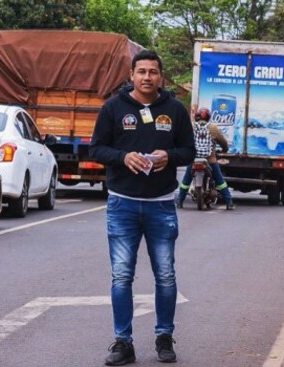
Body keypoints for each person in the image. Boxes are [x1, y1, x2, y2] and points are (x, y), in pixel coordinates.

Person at [88, 50, 195, 366]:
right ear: (131, 75)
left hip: (162, 205)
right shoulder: (114, 108)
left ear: (161, 76)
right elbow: (95, 148)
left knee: (165, 275)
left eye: (153, 72)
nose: (147, 77)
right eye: (141, 71)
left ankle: (164, 337)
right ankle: (123, 342)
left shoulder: (175, 110)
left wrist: (169, 157)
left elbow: (189, 151)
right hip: (122, 204)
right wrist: (123, 157)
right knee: (121, 276)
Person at [176, 107, 235, 210]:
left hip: (193, 159)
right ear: (208, 117)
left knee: (186, 181)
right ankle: (229, 203)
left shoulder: (191, 127)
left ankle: (179, 201)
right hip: (210, 160)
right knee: (220, 181)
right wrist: (225, 149)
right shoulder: (213, 128)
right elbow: (223, 142)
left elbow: (183, 140)